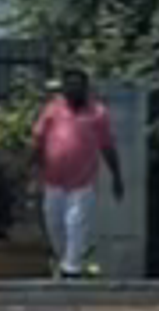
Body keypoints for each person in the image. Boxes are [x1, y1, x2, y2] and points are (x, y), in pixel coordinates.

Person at [29, 70, 122, 285]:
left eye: (79, 85)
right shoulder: (52, 110)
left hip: (82, 181)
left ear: (86, 88)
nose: (74, 89)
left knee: (76, 223)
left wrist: (117, 176)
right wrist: (31, 170)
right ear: (64, 88)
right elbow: (38, 142)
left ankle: (72, 269)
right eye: (70, 85)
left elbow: (107, 146)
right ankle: (64, 262)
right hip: (53, 180)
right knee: (54, 223)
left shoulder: (98, 113)